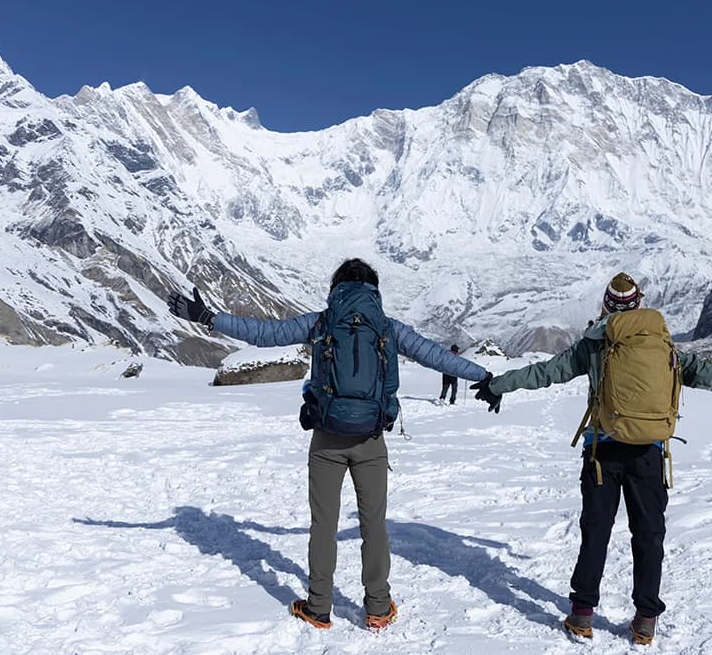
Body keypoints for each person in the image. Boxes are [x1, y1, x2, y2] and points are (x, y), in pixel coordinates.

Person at [470, 272, 712, 645]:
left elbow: (546, 372)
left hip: (601, 453)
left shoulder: (595, 344)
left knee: (596, 532)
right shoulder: (662, 344)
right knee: (648, 535)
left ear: (607, 305)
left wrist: (497, 385)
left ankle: (582, 615)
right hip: (649, 453)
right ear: (638, 305)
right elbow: (710, 375)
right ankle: (645, 620)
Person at [168, 258, 490, 632]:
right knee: (373, 525)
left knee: (323, 525)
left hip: (326, 437)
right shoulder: (387, 327)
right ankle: (378, 607)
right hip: (371, 438)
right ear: (373, 290)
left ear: (336, 288)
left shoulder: (322, 322)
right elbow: (436, 355)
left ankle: (319, 607)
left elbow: (263, 333)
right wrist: (484, 376)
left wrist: (208, 317)